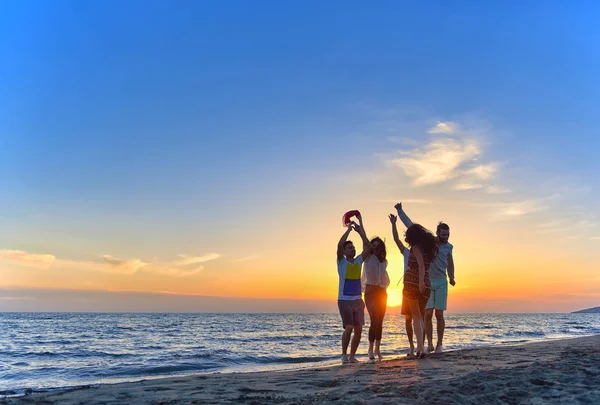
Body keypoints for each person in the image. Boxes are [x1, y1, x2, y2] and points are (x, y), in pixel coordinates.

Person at [396, 202, 455, 354]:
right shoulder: (430, 243)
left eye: (447, 235)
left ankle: (431, 346)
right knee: (425, 315)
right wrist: (400, 212)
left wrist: (451, 276)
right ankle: (426, 345)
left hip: (427, 281)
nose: (445, 237)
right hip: (428, 281)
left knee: (429, 315)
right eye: (443, 235)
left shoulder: (443, 247)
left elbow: (448, 262)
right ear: (437, 233)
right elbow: (412, 226)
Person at [337, 218, 372, 364]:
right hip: (345, 300)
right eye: (350, 248)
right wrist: (349, 229)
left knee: (358, 329)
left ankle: (352, 356)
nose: (353, 249)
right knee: (349, 327)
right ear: (344, 252)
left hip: (358, 300)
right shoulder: (341, 261)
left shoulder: (358, 260)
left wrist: (360, 232)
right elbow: (339, 245)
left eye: (353, 247)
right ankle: (344, 355)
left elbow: (369, 248)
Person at [400, 222, 437, 358]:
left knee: (416, 317)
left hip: (412, 282)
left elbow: (420, 264)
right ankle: (422, 347)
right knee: (420, 316)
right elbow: (425, 265)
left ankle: (420, 348)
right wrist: (423, 282)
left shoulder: (415, 247)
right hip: (427, 281)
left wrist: (420, 281)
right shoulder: (429, 249)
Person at [360, 220, 390, 362]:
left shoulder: (384, 261)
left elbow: (385, 278)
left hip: (382, 292)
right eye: (374, 246)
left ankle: (378, 348)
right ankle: (370, 349)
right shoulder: (368, 258)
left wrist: (384, 290)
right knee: (374, 319)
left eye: (379, 246)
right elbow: (365, 240)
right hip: (370, 291)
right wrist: (360, 223)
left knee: (380, 320)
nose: (376, 248)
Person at [388, 213, 414, 357]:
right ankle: (411, 346)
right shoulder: (406, 252)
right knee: (408, 319)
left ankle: (421, 345)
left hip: (420, 286)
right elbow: (396, 239)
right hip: (407, 288)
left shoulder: (423, 253)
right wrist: (393, 224)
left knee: (420, 318)